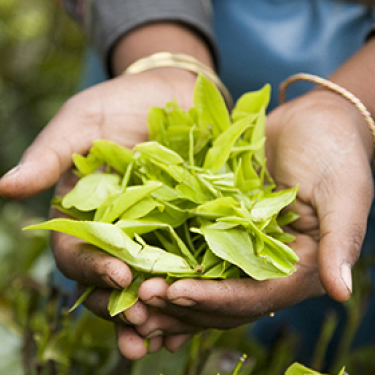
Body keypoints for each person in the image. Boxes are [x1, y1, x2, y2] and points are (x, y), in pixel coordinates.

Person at [1, 0, 375, 362]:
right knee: (92, 327)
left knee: (322, 343)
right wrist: (161, 58)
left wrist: (353, 108)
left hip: (352, 125)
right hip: (141, 69)